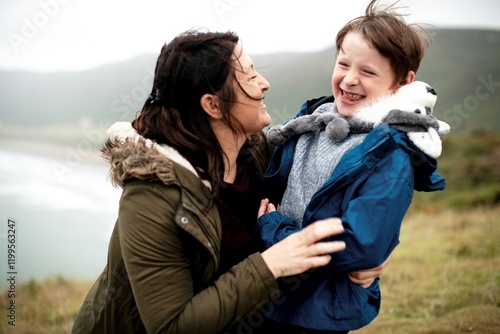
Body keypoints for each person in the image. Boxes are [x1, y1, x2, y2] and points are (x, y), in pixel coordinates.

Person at [71, 29, 390, 334]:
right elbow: (172, 326)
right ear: (212, 105)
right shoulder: (151, 196)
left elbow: (342, 196)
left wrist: (367, 259)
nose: (264, 84)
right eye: (250, 77)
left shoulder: (260, 155)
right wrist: (271, 265)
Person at [256, 0, 447, 333]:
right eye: (344, 64)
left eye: (368, 72)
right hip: (266, 292)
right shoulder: (310, 121)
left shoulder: (390, 153)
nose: (350, 79)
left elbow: (359, 247)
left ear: (403, 81)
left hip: (317, 310)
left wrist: (272, 230)